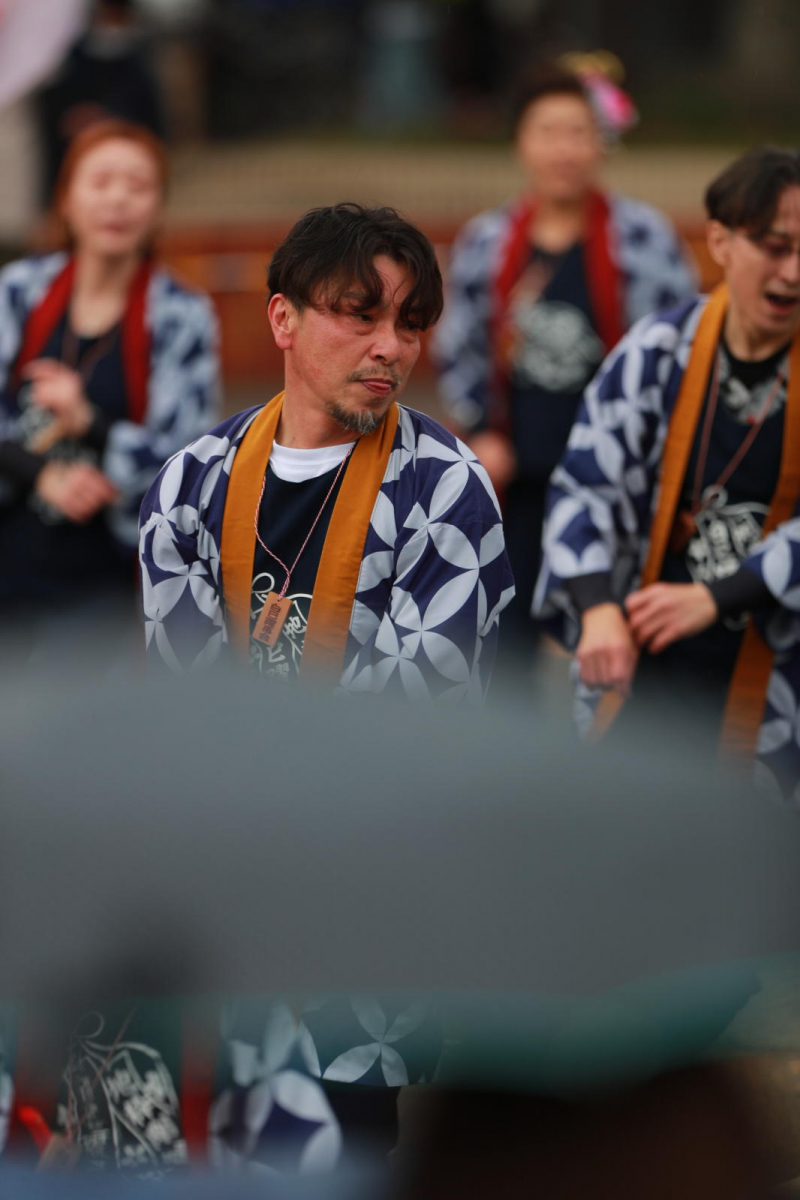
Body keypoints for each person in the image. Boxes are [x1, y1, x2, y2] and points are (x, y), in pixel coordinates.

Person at [140, 202, 513, 699]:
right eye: (362, 315)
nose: (392, 348)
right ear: (283, 319)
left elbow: (420, 723)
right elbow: (182, 701)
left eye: (411, 325)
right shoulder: (190, 484)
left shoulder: (446, 486)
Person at [535, 146, 800, 799]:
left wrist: (717, 596)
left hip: (777, 672)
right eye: (775, 245)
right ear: (721, 241)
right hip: (651, 653)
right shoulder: (660, 350)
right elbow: (582, 487)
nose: (794, 272)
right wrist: (597, 610)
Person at [433, 57, 696, 677]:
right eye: (547, 132)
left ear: (601, 143)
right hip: (516, 480)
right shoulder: (486, 241)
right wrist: (480, 431)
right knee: (504, 651)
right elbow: (457, 347)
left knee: (624, 651)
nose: (564, 149)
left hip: (620, 483)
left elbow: (685, 353)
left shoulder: (646, 239)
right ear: (522, 142)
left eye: (579, 132)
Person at [0, 119, 220, 666]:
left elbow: (191, 467)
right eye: (100, 182)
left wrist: (89, 424)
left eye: (138, 186)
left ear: (157, 208)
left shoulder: (182, 316)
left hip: (112, 580)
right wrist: (43, 473)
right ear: (67, 200)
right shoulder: (18, 291)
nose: (118, 199)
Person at [34, 0, 166, 208]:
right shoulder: (74, 52)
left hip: (127, 135)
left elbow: (148, 109)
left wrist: (109, 118)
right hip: (70, 147)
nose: (116, 199)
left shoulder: (143, 55)